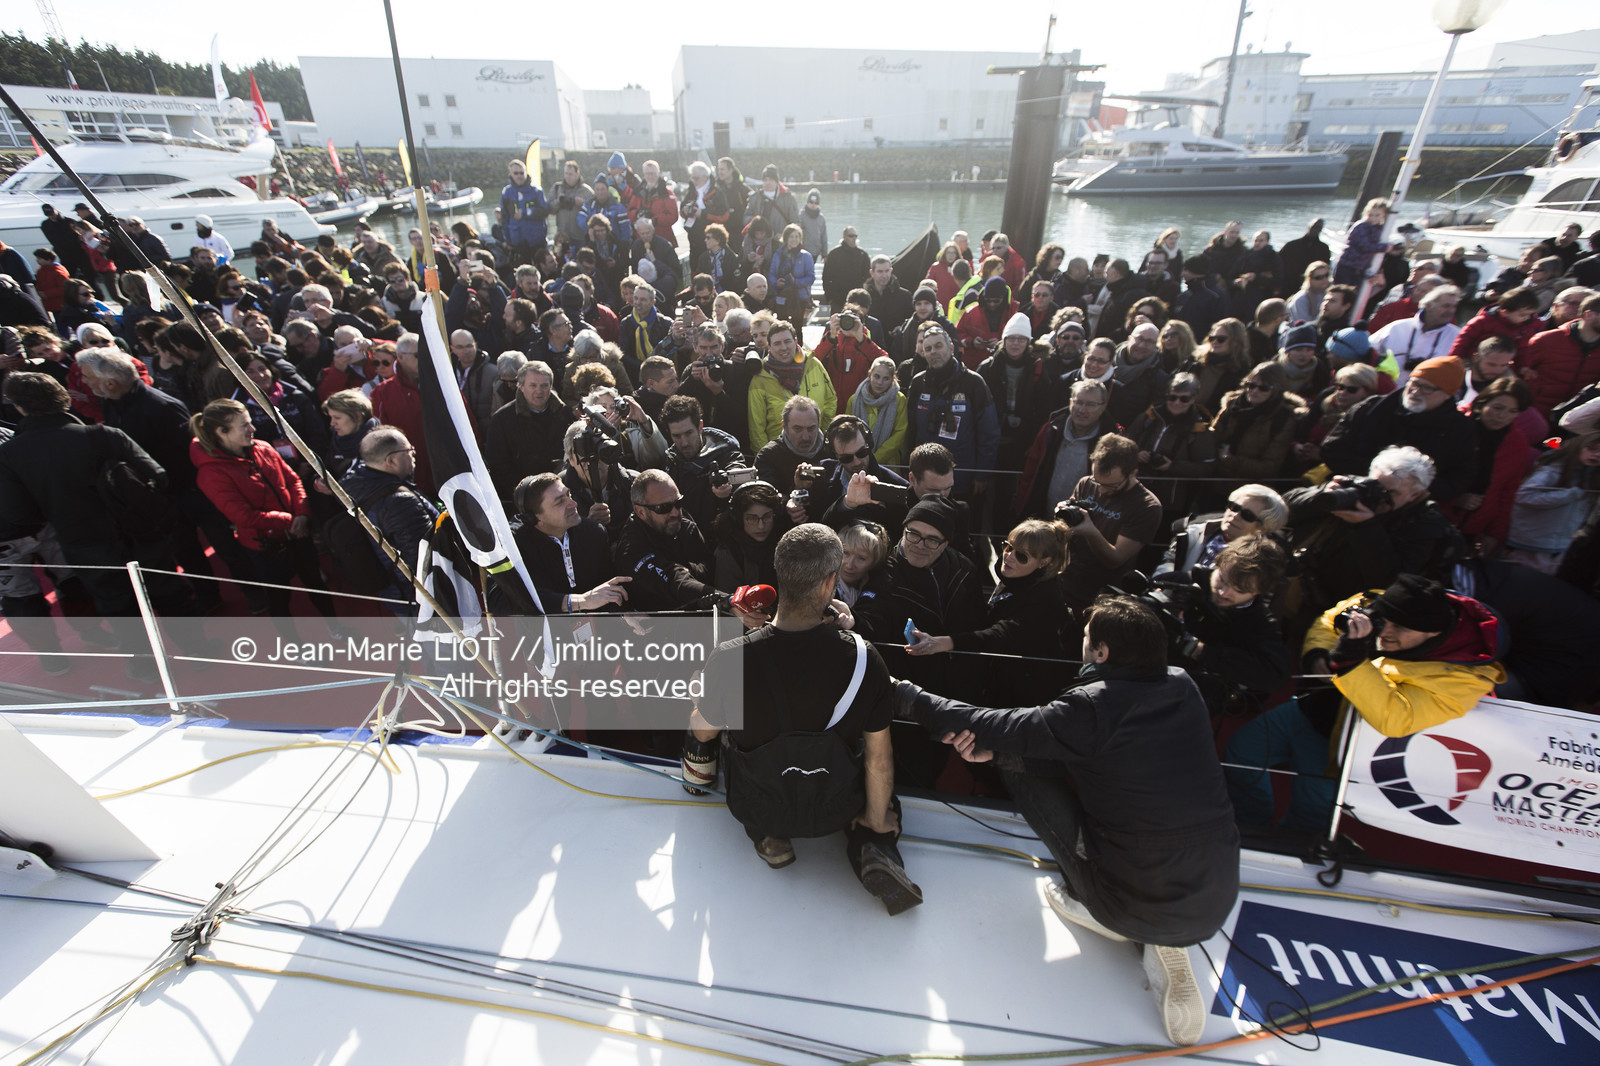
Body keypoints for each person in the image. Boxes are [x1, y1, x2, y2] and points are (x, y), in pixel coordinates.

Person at [899, 595, 1237, 1047]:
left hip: (1124, 904)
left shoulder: (1092, 707)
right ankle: (1167, 934)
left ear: (1101, 654)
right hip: (1217, 895)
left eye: (1085, 639)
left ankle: (1113, 912)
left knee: (1019, 764)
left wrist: (903, 693)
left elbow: (987, 722)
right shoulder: (1183, 685)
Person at [686, 523, 919, 910]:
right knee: (877, 791)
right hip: (833, 806)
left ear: (780, 575)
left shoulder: (729, 657)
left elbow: (704, 733)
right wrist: (877, 821)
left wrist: (698, 699)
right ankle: (869, 843)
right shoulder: (863, 657)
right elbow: (879, 758)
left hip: (759, 802)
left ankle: (769, 837)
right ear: (830, 583)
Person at [189, 398, 339, 625]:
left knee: (317, 584)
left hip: (298, 534)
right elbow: (242, 516)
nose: (253, 429)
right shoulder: (211, 473)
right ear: (222, 432)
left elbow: (293, 481)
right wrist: (291, 521)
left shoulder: (263, 448)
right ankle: (291, 647)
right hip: (266, 546)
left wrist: (301, 514)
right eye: (244, 425)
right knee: (279, 599)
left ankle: (336, 627)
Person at [1282, 446, 1466, 624]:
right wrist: (1321, 495)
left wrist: (1364, 526)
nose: (1379, 496)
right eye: (1376, 485)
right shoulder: (1356, 488)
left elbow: (1390, 582)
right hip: (1301, 590)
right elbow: (1282, 510)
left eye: (1391, 493)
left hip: (1353, 612)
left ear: (1414, 494)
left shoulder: (1426, 525)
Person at [1321, 356, 1478, 506]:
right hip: (1353, 492)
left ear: (1447, 395)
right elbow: (1332, 448)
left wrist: (1409, 488)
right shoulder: (1372, 408)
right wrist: (1379, 475)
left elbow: (1460, 478)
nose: (1416, 392)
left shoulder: (1460, 429)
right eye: (1414, 383)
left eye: (1427, 388)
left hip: (1411, 510)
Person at [1053, 434, 1165, 611]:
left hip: (1101, 597)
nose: (1101, 490)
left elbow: (1115, 559)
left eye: (1110, 486)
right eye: (1097, 481)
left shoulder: (1147, 506)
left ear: (1133, 473)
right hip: (1065, 582)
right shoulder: (1086, 483)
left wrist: (1090, 532)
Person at [340, 426, 441, 614]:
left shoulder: (353, 484)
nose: (413, 454)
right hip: (416, 597)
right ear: (391, 461)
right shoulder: (400, 503)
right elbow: (423, 560)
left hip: (391, 589)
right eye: (409, 450)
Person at [1439, 377, 1536, 558]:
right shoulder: (1454, 425)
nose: (1502, 416)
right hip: (1435, 517)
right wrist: (1454, 498)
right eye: (1497, 408)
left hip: (1473, 527)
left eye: (1513, 411)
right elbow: (1429, 474)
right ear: (1482, 403)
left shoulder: (1517, 443)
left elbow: (1508, 490)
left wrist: (1495, 534)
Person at [510, 471, 628, 614]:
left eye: (569, 495)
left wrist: (626, 614)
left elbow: (608, 589)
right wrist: (579, 601)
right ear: (534, 518)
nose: (573, 504)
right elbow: (502, 599)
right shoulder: (513, 544)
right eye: (560, 502)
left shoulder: (593, 533)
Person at [905, 322, 999, 500]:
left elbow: (989, 433)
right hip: (925, 483)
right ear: (923, 353)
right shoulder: (918, 383)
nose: (934, 351)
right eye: (928, 348)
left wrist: (982, 474)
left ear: (951, 347)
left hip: (961, 480)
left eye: (939, 345)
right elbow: (910, 431)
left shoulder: (973, 383)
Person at [612, 468, 726, 612]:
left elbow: (709, 565)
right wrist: (727, 600)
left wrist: (689, 570)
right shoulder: (631, 549)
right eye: (663, 507)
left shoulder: (683, 523)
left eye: (678, 502)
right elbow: (675, 580)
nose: (675, 512)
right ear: (640, 512)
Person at [1504, 430, 1600, 574]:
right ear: (1579, 446)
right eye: (1592, 449)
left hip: (1558, 546)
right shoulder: (1553, 470)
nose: (1597, 455)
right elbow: (1524, 496)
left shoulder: (1592, 479)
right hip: (1527, 542)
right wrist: (1570, 494)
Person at [485, 360, 576, 505]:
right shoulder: (502, 420)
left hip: (562, 493)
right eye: (533, 385)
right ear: (520, 386)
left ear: (551, 386)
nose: (539, 391)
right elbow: (498, 465)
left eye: (544, 385)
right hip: (523, 498)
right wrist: (527, 493)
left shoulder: (564, 414)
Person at [747, 321, 836, 454]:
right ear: (769, 347)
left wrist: (821, 435)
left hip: (816, 449)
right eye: (777, 343)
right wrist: (766, 457)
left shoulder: (814, 364)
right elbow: (756, 428)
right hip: (780, 455)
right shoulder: (760, 379)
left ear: (795, 341)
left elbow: (830, 400)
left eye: (787, 341)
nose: (783, 347)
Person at [1518, 291, 1600, 418]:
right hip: (1532, 415)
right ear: (1589, 315)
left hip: (1571, 422)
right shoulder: (1546, 340)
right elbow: (1517, 372)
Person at [1370, 285, 1462, 381]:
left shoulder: (1457, 337)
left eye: (1454, 306)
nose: (1451, 311)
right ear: (1429, 305)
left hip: (1424, 393)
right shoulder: (1397, 327)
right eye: (1446, 306)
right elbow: (1369, 349)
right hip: (1385, 390)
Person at [847, 356, 908, 469]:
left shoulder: (899, 400)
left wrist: (875, 459)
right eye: (876, 376)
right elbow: (849, 431)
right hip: (858, 461)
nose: (880, 382)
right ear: (869, 374)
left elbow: (899, 434)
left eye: (886, 378)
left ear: (893, 379)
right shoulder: (854, 400)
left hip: (888, 464)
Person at [1335, 199, 1393, 287]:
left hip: (1360, 269)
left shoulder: (1379, 229)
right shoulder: (1361, 226)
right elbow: (1365, 246)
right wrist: (1385, 247)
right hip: (1347, 266)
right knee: (1342, 289)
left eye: (1377, 215)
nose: (1373, 218)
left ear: (1384, 216)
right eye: (1371, 215)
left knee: (1353, 294)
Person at [864, 256, 913, 339]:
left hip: (896, 343)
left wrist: (902, 328)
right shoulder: (864, 296)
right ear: (872, 273)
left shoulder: (905, 296)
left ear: (891, 271)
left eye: (887, 271)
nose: (884, 275)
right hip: (870, 343)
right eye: (880, 271)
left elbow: (912, 320)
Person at [823, 226, 871, 311]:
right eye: (851, 236)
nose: (854, 238)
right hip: (837, 301)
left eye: (855, 236)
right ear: (844, 237)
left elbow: (868, 278)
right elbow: (826, 277)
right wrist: (829, 298)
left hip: (857, 302)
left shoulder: (863, 255)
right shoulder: (834, 254)